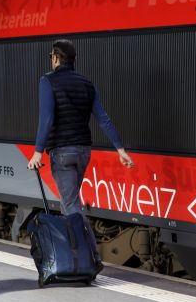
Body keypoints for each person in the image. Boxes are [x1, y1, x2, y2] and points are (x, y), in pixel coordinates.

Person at [27, 39, 134, 228]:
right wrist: (120, 149)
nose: (51, 60)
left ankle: (88, 255)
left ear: (57, 58)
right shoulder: (87, 84)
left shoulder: (48, 81)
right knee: (70, 203)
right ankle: (74, 251)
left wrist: (37, 152)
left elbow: (47, 119)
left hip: (63, 153)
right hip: (84, 152)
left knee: (71, 207)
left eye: (52, 56)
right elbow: (103, 119)